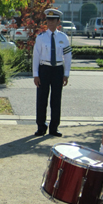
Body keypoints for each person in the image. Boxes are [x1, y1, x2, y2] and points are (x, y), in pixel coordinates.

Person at [33, 9, 72, 137]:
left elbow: (68, 56)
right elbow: (36, 56)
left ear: (58, 21)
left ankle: (54, 127)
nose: (50, 23)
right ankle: (41, 127)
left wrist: (66, 73)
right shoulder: (41, 37)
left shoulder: (63, 37)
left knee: (56, 100)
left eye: (53, 20)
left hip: (57, 70)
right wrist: (36, 74)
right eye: (48, 20)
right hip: (44, 69)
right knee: (42, 99)